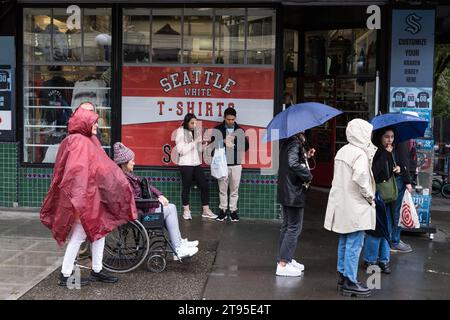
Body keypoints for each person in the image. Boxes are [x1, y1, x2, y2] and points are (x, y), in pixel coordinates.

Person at [40, 107, 137, 287]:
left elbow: (98, 165)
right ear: (84, 122)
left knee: (100, 232)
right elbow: (77, 172)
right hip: (83, 198)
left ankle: (97, 269)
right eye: (93, 122)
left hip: (91, 195)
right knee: (79, 235)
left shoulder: (87, 139)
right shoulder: (77, 141)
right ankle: (66, 274)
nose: (96, 125)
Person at [113, 142, 199, 259]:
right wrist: (156, 202)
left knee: (170, 207)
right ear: (124, 163)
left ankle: (178, 243)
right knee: (171, 208)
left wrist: (159, 195)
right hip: (137, 215)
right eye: (132, 160)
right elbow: (134, 201)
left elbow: (145, 183)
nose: (134, 162)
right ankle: (178, 248)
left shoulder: (127, 175)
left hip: (139, 211)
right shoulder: (124, 180)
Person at [324, 119, 377, 298]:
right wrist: (370, 196)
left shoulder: (342, 151)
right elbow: (361, 178)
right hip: (356, 205)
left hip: (343, 204)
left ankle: (343, 277)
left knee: (345, 240)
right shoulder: (359, 154)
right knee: (355, 243)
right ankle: (351, 280)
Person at [276, 131, 315, 277]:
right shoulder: (294, 142)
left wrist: (306, 156)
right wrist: (307, 175)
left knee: (287, 226)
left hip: (287, 189)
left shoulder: (287, 141)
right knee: (294, 227)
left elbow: (292, 160)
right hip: (293, 191)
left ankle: (284, 259)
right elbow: (293, 163)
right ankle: (283, 264)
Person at [362, 127, 399, 274]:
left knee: (387, 229)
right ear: (380, 137)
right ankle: (370, 260)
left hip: (389, 197)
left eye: (392, 137)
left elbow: (388, 172)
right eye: (387, 137)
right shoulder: (376, 152)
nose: (390, 140)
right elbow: (374, 173)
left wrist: (397, 170)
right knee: (376, 229)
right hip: (378, 196)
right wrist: (385, 154)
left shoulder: (389, 152)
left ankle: (384, 260)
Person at [175, 113, 217, 220]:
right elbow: (181, 150)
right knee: (186, 187)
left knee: (204, 185)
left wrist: (204, 145)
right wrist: (195, 143)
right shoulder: (180, 132)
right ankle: (186, 211)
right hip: (185, 164)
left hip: (196, 163)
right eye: (192, 123)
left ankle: (206, 210)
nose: (194, 125)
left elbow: (199, 150)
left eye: (195, 123)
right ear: (186, 122)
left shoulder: (196, 132)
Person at [210, 107, 249, 222]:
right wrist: (223, 142)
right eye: (228, 119)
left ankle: (233, 211)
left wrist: (234, 143)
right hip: (222, 164)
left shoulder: (240, 130)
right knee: (222, 189)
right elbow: (212, 146)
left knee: (234, 189)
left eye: (232, 119)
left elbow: (246, 147)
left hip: (236, 163)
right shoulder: (217, 129)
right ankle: (222, 211)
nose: (230, 121)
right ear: (224, 118)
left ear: (235, 118)